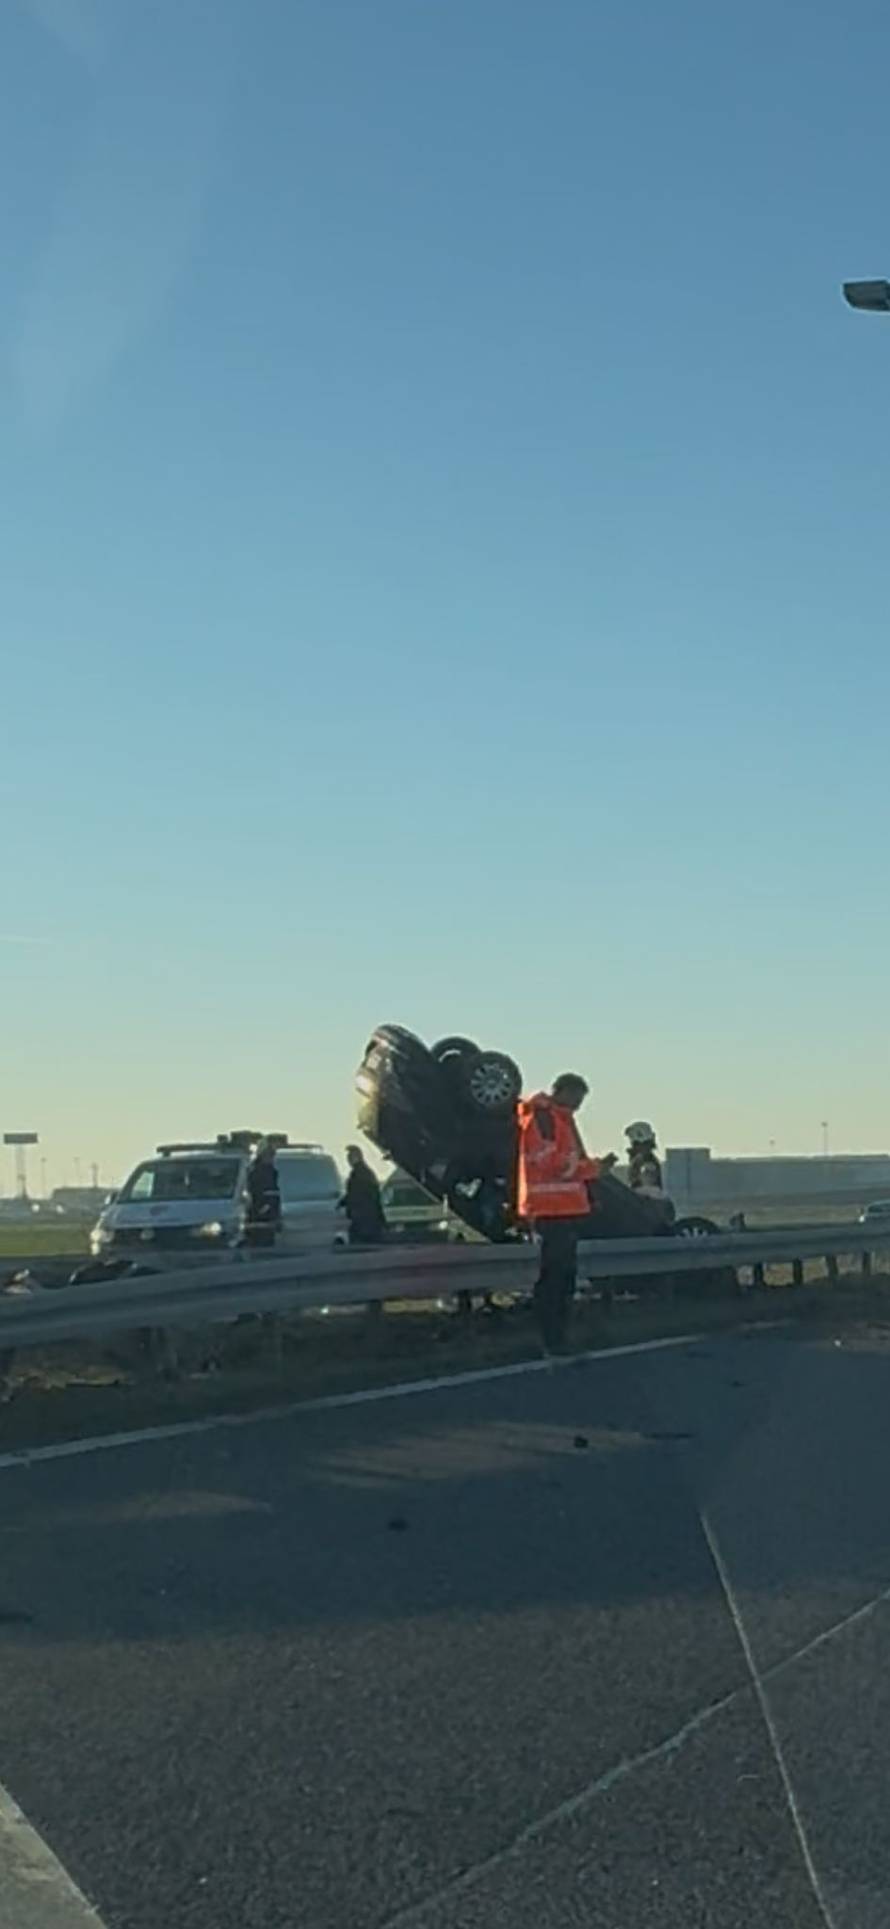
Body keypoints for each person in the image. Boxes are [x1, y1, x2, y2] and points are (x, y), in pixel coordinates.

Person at [516, 1074, 609, 1350]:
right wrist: (592, 1169)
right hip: (550, 1211)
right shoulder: (544, 1119)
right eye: (577, 1097)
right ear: (563, 1092)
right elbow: (551, 1163)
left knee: (563, 1277)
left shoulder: (559, 1120)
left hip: (563, 1211)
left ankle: (559, 1337)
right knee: (554, 1279)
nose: (579, 1105)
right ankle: (552, 1339)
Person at [340, 1145, 386, 1245]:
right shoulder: (362, 1173)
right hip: (364, 1217)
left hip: (365, 1217)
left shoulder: (361, 1174)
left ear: (357, 1157)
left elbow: (359, 1194)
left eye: (350, 1158)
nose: (348, 1161)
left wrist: (347, 1202)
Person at [245, 1138, 282, 1246]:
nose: (272, 1157)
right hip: (260, 1215)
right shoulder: (257, 1172)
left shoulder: (271, 1171)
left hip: (269, 1215)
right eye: (269, 1154)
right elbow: (256, 1193)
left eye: (272, 1154)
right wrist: (263, 1209)